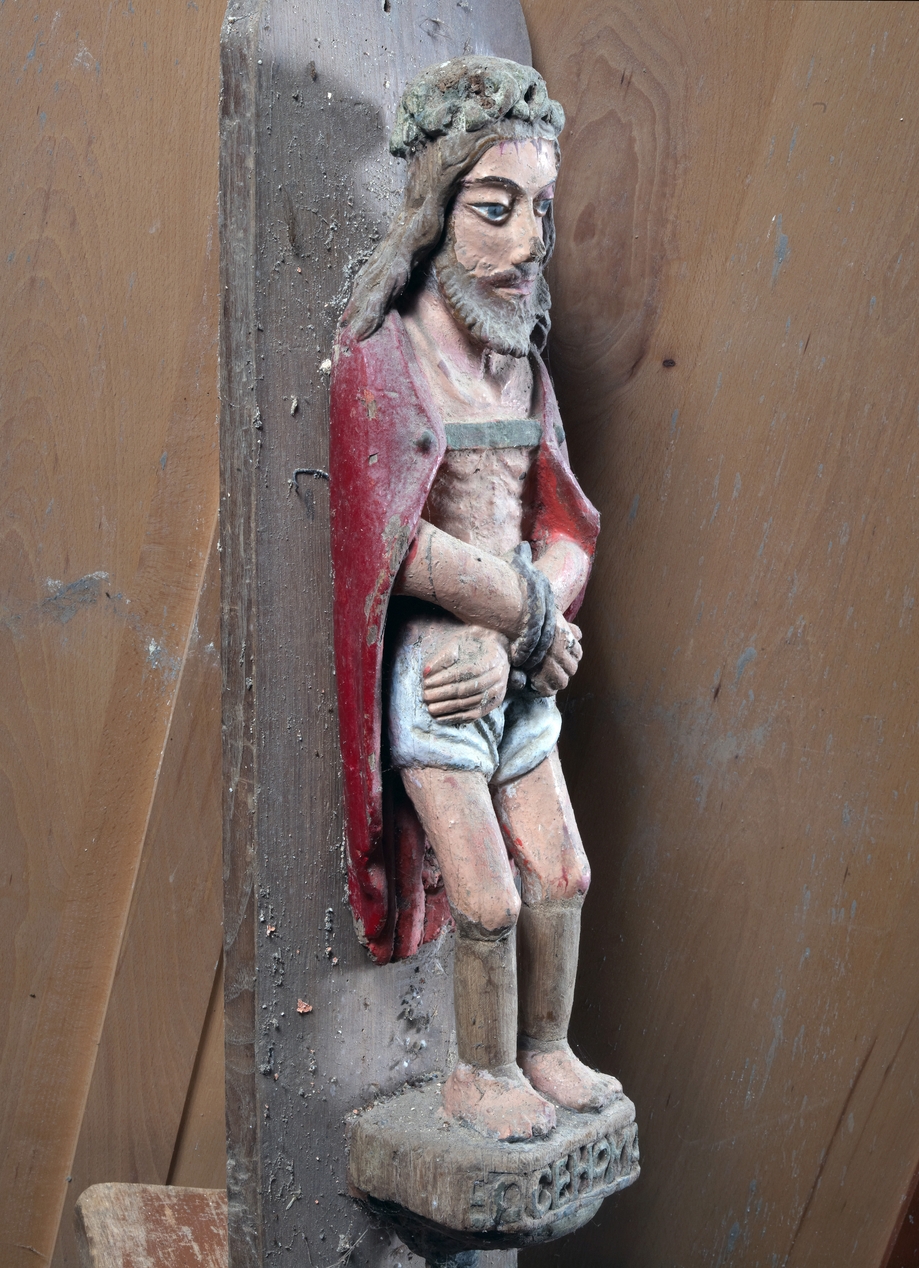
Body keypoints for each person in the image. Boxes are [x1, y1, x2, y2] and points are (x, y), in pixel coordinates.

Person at [330, 56, 620, 1142]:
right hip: (442, 673)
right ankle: (478, 1071)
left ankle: (543, 1048)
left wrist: (532, 623)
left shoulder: (521, 365)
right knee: (488, 899)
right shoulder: (387, 362)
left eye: (539, 210)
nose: (526, 244)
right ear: (434, 211)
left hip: (511, 666)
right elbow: (389, 541)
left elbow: (566, 523)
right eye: (494, 210)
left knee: (563, 872)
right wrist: (524, 616)